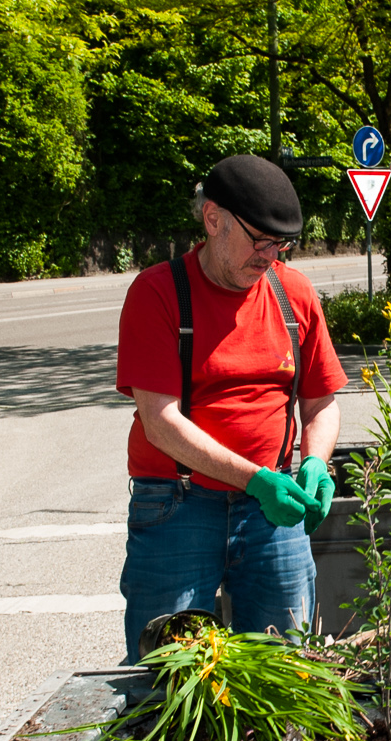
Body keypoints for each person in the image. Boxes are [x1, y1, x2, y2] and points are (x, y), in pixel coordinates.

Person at [114, 155, 346, 661]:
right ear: (213, 219)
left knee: (287, 669)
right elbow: (161, 423)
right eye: (259, 240)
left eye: (281, 244)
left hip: (274, 511)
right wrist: (254, 480)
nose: (269, 255)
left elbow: (321, 401)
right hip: (178, 505)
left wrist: (314, 463)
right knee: (168, 677)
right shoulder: (157, 294)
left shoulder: (294, 293)